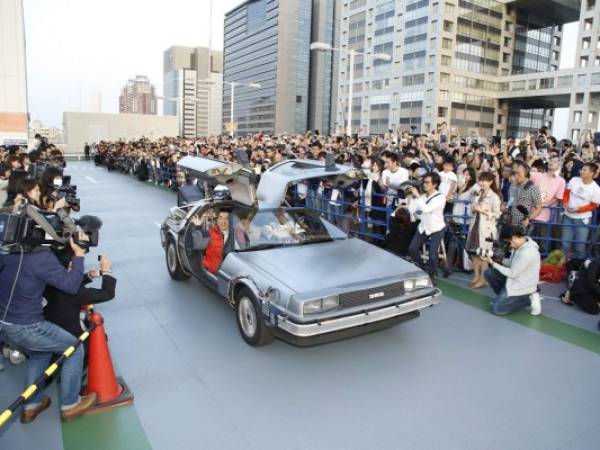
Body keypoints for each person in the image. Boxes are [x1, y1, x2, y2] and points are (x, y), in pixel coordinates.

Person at [0, 240, 97, 423]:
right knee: (74, 349)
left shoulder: (9, 253)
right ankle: (70, 405)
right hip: (28, 327)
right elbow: (70, 285)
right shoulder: (41, 258)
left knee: (39, 354)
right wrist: (79, 255)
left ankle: (32, 405)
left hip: (5, 325)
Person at [43, 255, 116, 339]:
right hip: (73, 339)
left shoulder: (46, 284)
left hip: (51, 333)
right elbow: (107, 293)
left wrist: (89, 276)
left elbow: (68, 283)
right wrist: (107, 271)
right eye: (72, 267)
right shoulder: (75, 293)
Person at [483, 225, 542, 316]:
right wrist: (497, 258)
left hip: (523, 286)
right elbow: (512, 264)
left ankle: (529, 299)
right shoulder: (520, 245)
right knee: (489, 273)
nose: (508, 245)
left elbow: (512, 273)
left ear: (513, 238)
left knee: (497, 309)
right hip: (516, 280)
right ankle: (505, 298)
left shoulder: (527, 253)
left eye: (508, 242)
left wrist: (494, 264)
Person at [466, 171, 502, 288]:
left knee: (484, 255)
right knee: (474, 253)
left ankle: (483, 279)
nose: (482, 183)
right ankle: (476, 276)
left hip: (486, 229)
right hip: (475, 226)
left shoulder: (494, 197)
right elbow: (471, 209)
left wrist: (482, 210)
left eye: (485, 180)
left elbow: (497, 214)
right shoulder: (478, 193)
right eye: (481, 180)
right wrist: (474, 209)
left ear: (491, 182)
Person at [407, 172, 446, 278]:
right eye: (424, 182)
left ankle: (432, 274)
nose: (424, 184)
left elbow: (426, 209)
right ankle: (421, 268)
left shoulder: (440, 198)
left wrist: (418, 196)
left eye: (427, 182)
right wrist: (411, 198)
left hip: (436, 228)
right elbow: (411, 210)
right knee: (412, 248)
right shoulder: (422, 196)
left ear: (435, 184)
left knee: (433, 255)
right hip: (423, 227)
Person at [561, 162, 600, 259]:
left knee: (580, 245)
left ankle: (578, 268)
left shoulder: (596, 189)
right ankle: (562, 266)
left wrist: (579, 210)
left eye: (584, 170)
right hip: (568, 216)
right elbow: (566, 193)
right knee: (565, 243)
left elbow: (594, 205)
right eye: (582, 169)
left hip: (583, 220)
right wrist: (565, 203)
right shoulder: (574, 180)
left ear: (591, 173)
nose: (581, 171)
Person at [508, 161, 543, 228]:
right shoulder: (512, 186)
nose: (516, 176)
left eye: (518, 173)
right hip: (510, 222)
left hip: (523, 225)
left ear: (525, 173)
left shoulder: (533, 188)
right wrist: (506, 206)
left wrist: (528, 218)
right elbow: (511, 201)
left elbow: (538, 208)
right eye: (514, 173)